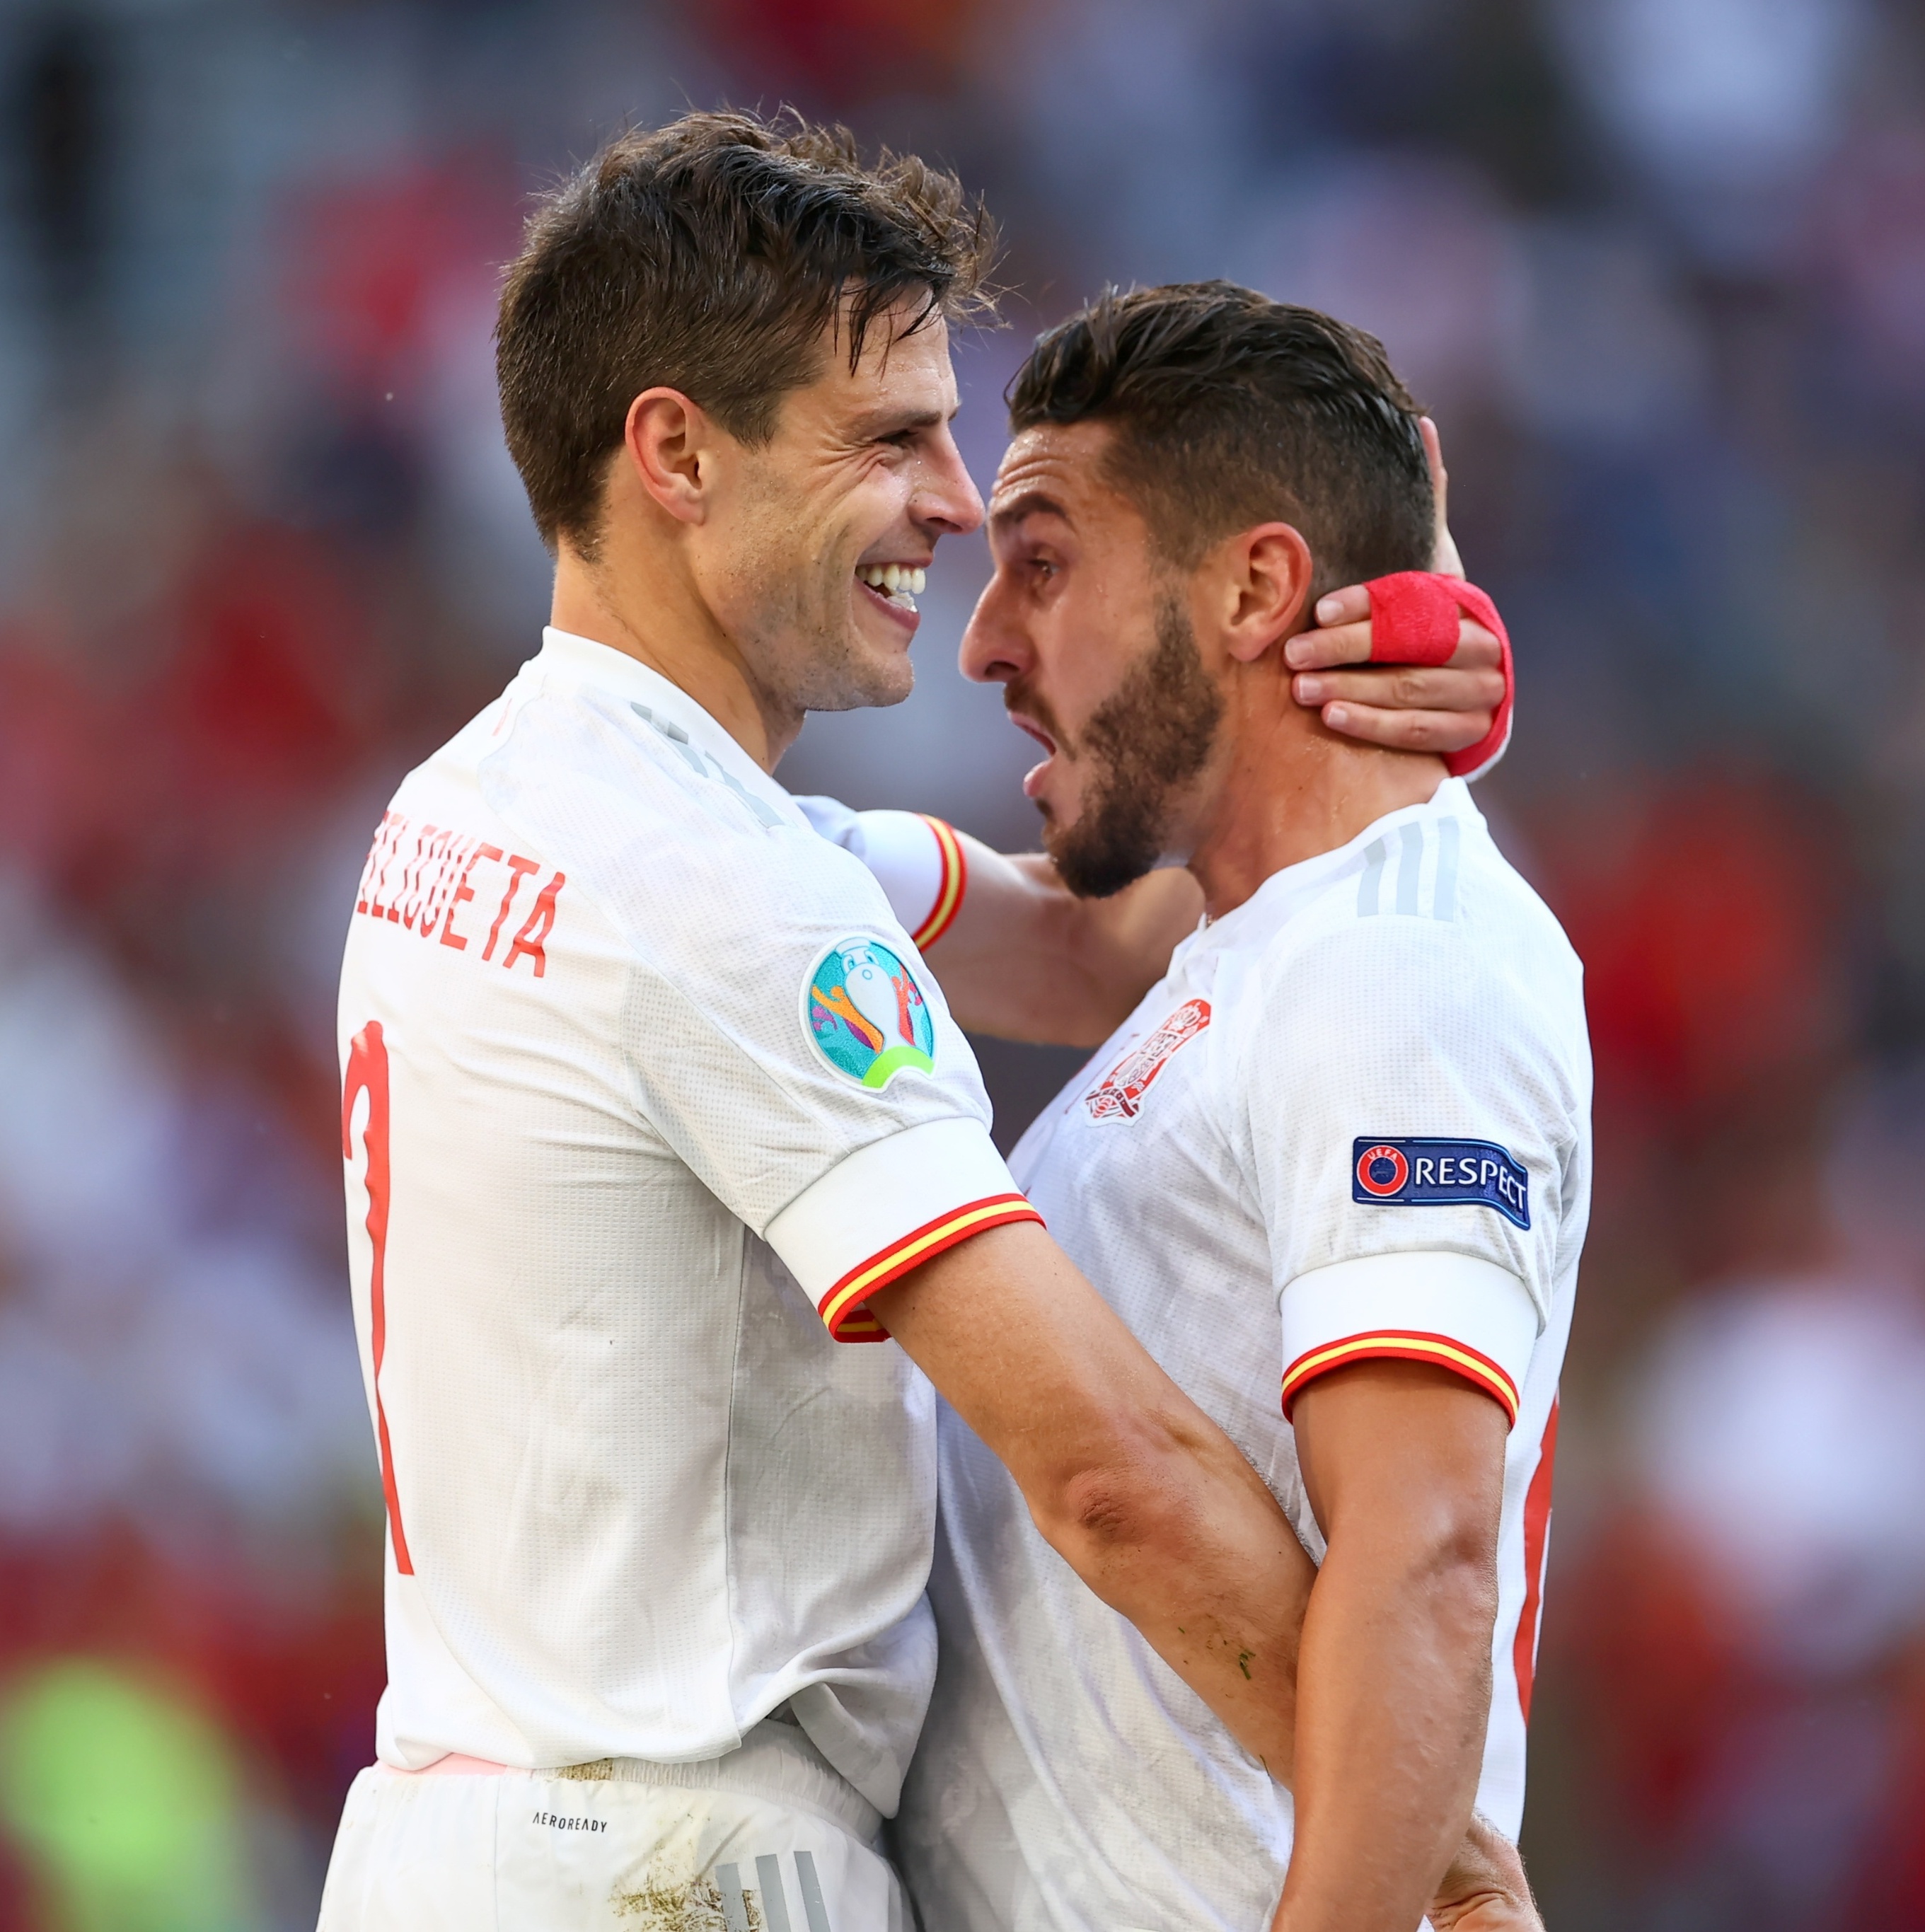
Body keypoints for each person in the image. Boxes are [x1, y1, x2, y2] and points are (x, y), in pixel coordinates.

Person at [317, 112, 1522, 1932]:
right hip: (677, 1864)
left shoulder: (500, 804)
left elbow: (1099, 946)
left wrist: (1351, 675)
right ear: (676, 457)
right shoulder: (717, 889)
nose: (956, 505)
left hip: (464, 1836)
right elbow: (1107, 1470)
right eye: (890, 439)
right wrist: (1432, 1859)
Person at [854, 284, 1588, 1932]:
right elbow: (1034, 932)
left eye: (1041, 561)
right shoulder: (1248, 945)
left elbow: (1425, 1560)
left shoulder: (1397, 968)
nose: (982, 639)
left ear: (1256, 585)